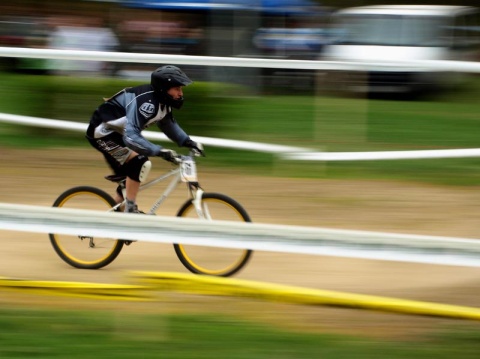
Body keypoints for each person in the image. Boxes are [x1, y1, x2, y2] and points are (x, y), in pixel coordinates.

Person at [86, 65, 204, 213]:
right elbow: (131, 137)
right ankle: (130, 208)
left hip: (118, 135)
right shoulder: (146, 103)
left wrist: (187, 142)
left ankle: (119, 219)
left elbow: (169, 125)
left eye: (181, 89)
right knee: (140, 161)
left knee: (128, 181)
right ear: (163, 88)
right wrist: (159, 151)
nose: (180, 94)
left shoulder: (163, 103)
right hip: (102, 135)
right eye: (177, 89)